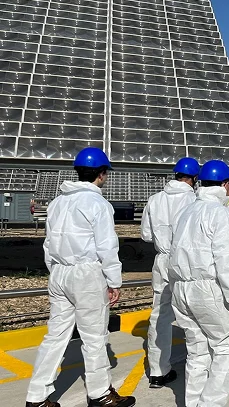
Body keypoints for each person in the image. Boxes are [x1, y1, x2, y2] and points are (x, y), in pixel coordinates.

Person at [26, 147, 135, 407]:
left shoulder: (57, 202)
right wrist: (114, 281)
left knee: (55, 336)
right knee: (94, 337)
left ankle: (37, 396)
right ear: (101, 173)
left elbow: (48, 244)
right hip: (86, 274)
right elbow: (107, 247)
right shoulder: (98, 204)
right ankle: (100, 394)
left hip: (60, 273)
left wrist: (56, 270)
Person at [168, 160, 229, 407]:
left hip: (181, 287)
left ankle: (193, 403)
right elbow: (227, 261)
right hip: (207, 288)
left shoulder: (187, 210)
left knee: (198, 352)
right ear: (225, 184)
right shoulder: (219, 212)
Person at [140, 157, 199, 389]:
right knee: (192, 315)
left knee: (160, 316)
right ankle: (198, 364)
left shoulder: (155, 200)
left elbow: (146, 235)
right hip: (186, 261)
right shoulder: (194, 199)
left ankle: (157, 370)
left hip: (162, 261)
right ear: (194, 179)